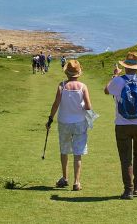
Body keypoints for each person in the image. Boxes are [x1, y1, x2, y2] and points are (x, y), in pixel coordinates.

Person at [104, 51, 137, 200]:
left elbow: (106, 90)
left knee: (125, 157)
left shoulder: (118, 81)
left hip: (122, 124)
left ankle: (128, 191)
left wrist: (114, 75)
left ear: (125, 66)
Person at [46, 60, 92, 191]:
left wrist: (50, 119)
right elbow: (88, 106)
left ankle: (65, 178)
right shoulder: (83, 86)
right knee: (78, 153)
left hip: (64, 122)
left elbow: (56, 104)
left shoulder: (62, 86)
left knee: (64, 150)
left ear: (67, 73)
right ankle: (77, 182)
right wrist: (81, 106)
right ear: (78, 73)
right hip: (79, 122)